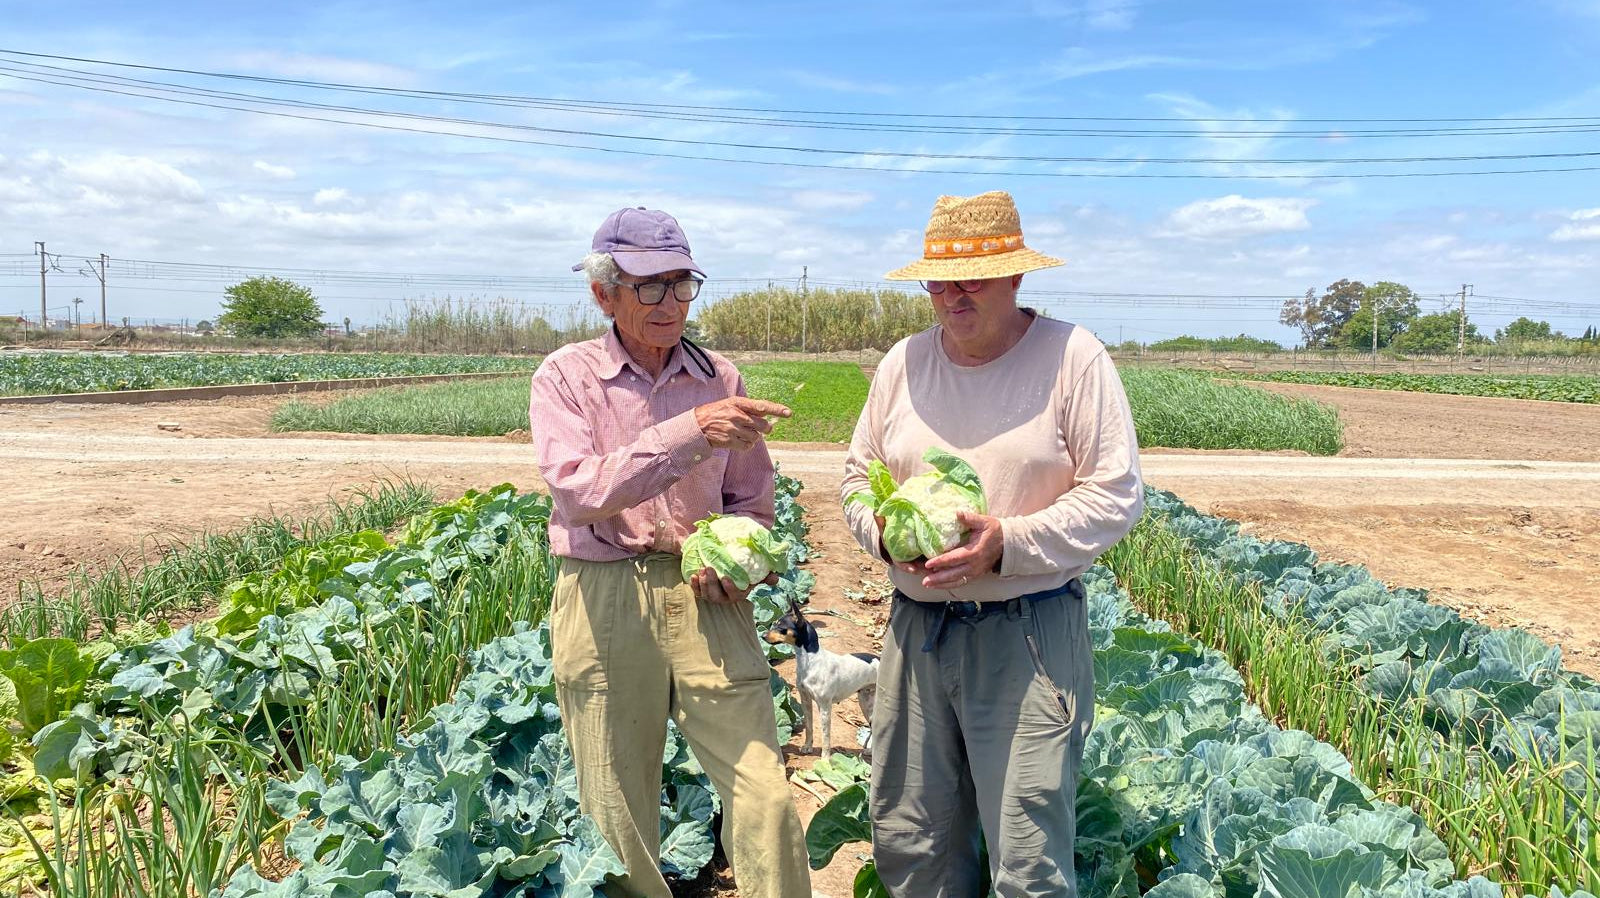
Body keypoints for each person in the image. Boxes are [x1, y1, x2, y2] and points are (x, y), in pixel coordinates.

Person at [840, 191, 1144, 897]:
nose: (951, 296)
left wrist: (1006, 543)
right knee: (912, 843)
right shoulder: (903, 363)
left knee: (1028, 862)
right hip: (916, 634)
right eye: (938, 281)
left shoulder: (1073, 357)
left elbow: (1116, 495)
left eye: (971, 279)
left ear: (1015, 276)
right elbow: (858, 477)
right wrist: (882, 535)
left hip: (1027, 635)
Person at [529, 206, 811, 898]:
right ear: (604, 293)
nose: (670, 303)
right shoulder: (567, 377)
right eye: (650, 286)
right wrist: (691, 431)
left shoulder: (720, 375)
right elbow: (580, 491)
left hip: (706, 598)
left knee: (765, 794)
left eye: (682, 285)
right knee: (618, 811)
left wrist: (745, 557)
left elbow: (751, 496)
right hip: (606, 597)